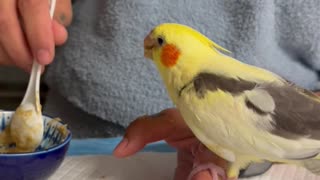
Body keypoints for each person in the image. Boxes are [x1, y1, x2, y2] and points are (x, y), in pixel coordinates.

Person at [1, 0, 320, 179]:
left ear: (177, 53)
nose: (149, 46)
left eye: (161, 43)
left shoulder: (200, 93)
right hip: (79, 138)